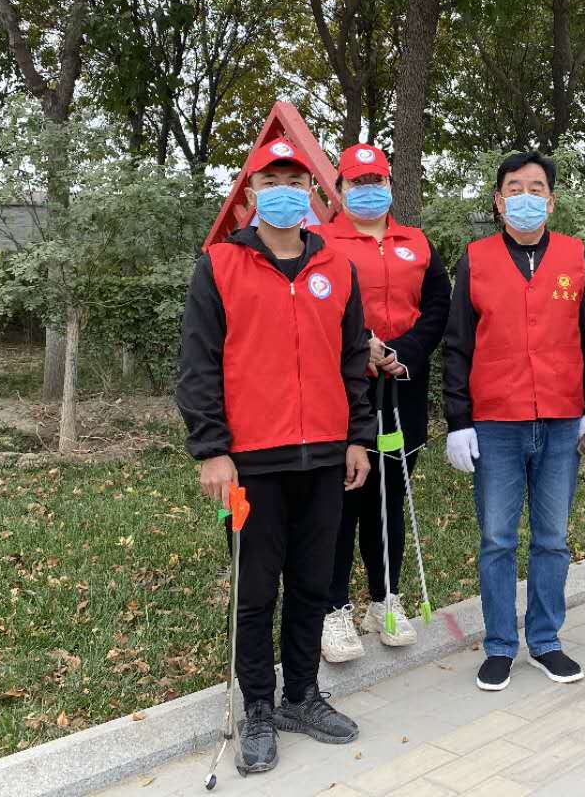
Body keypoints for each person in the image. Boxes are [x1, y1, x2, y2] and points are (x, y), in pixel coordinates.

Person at [177, 139, 375, 776]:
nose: (285, 191)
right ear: (251, 193)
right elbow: (199, 365)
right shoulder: (219, 266)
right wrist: (212, 449)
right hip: (250, 461)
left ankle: (302, 696)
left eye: (296, 180)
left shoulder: (337, 267)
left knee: (313, 584)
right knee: (255, 590)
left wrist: (357, 436)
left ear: (312, 193)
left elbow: (353, 359)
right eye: (271, 182)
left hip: (324, 457)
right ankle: (258, 707)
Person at [442, 150, 585, 692]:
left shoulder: (574, 255)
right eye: (514, 189)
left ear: (551, 201)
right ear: (498, 201)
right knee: (497, 538)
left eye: (536, 188)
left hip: (561, 419)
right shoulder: (476, 259)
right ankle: (499, 645)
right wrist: (457, 419)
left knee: (552, 538)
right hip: (496, 421)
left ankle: (545, 640)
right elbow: (457, 344)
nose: (525, 198)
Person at [316, 143, 451, 661]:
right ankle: (333, 610)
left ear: (390, 184)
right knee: (344, 500)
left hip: (402, 384)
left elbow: (437, 306)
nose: (368, 190)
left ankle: (384, 600)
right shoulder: (320, 242)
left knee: (390, 497)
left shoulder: (415, 242)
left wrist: (405, 352)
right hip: (345, 388)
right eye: (357, 182)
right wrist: (361, 345)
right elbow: (316, 308)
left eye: (376, 181)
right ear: (340, 189)